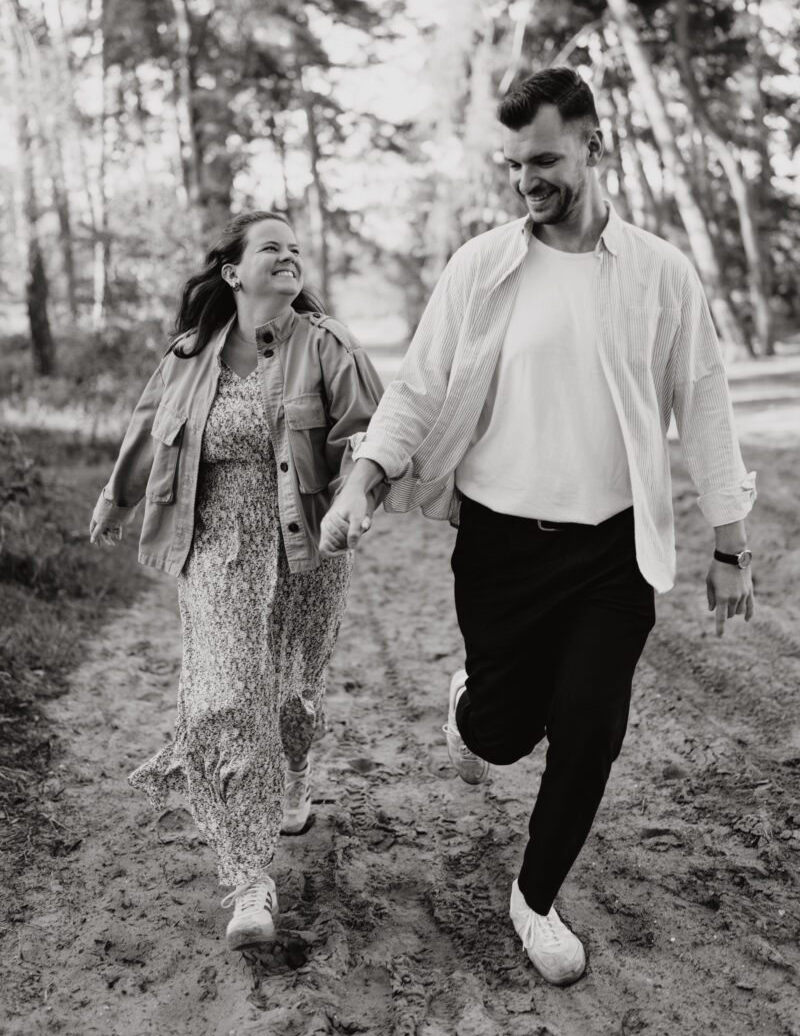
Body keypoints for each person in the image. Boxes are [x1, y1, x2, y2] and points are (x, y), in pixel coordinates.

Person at [319, 67, 756, 986]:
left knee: (592, 722)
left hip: (613, 549)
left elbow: (705, 406)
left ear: (595, 146)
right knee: (500, 737)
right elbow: (420, 387)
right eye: (516, 164)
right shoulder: (484, 266)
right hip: (503, 546)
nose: (529, 180)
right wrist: (365, 479)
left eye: (546, 158)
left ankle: (536, 896)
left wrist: (730, 542)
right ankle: (469, 702)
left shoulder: (661, 274)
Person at [90, 210, 383, 951]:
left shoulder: (326, 346)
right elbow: (146, 426)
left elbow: (369, 433)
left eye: (295, 247)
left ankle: (296, 766)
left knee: (291, 696)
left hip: (307, 547)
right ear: (232, 272)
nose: (288, 256)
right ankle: (249, 876)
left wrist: (356, 491)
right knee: (226, 700)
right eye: (271, 248)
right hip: (216, 546)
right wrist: (116, 497)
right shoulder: (190, 356)